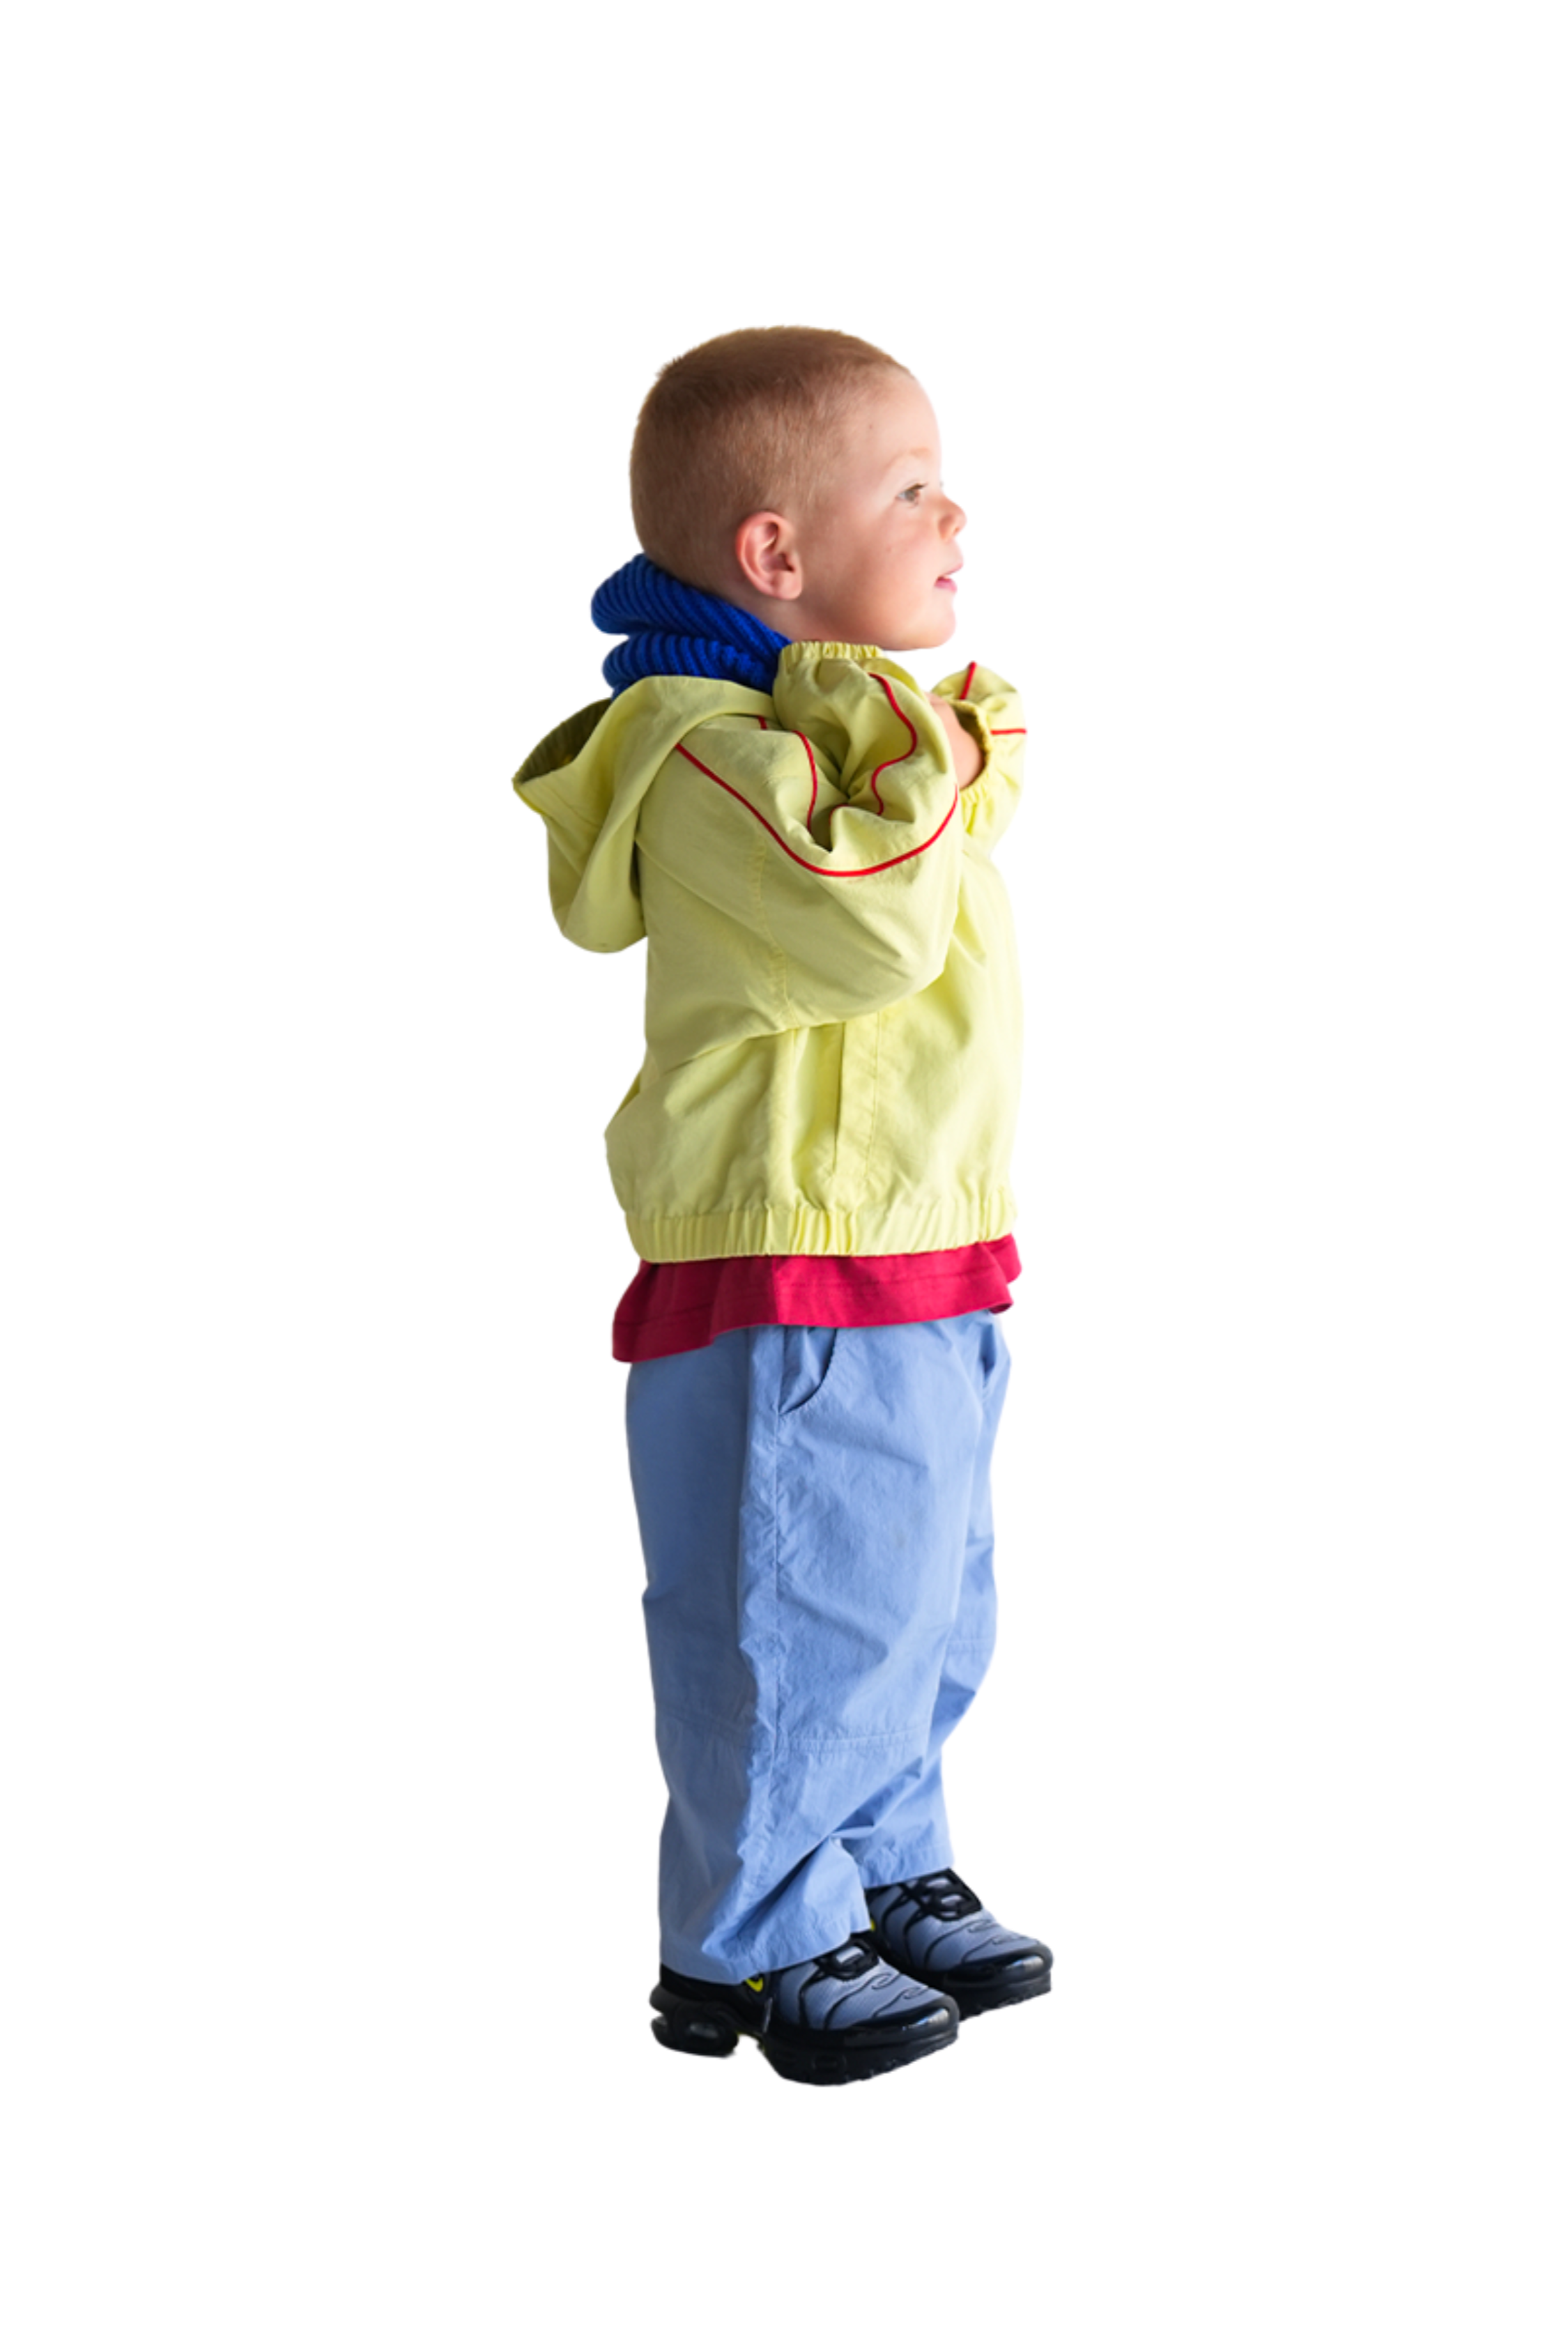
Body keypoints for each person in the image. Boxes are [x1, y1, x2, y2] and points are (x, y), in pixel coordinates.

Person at [513, 326, 1051, 2086]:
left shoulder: (828, 732)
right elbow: (878, 913)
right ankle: (751, 1939)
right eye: (910, 487)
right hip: (793, 1262)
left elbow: (959, 832)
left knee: (915, 1591)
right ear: (776, 558)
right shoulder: (708, 748)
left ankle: (881, 1862)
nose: (954, 512)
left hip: (917, 1233)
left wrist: (933, 745)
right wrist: (921, 731)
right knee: (794, 1602)